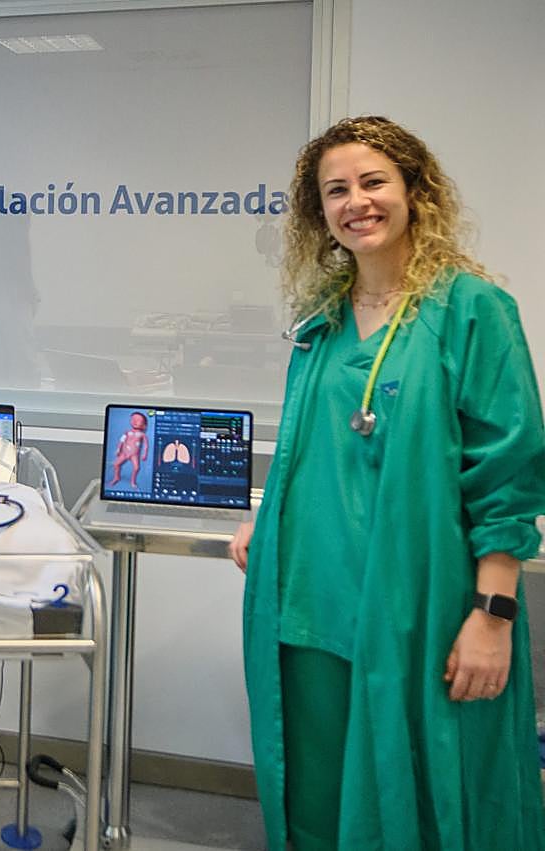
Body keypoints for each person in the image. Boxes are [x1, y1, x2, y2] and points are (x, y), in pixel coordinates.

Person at [228, 116, 545, 850]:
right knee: (316, 792)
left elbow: (507, 469)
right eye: (336, 190)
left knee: (424, 784)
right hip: (307, 605)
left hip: (418, 606)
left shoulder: (471, 310)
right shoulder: (324, 321)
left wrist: (492, 614)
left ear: (414, 190)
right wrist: (268, 516)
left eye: (373, 182)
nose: (356, 202)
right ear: (320, 212)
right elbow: (311, 444)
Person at [106, 410, 149, 487]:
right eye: (133, 419)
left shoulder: (142, 435)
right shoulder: (127, 432)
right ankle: (116, 477)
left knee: (136, 468)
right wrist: (118, 449)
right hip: (124, 453)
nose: (135, 422)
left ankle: (133, 481)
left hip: (134, 455)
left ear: (144, 425)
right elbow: (121, 441)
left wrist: (144, 454)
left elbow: (146, 445)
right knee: (116, 464)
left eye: (138, 420)